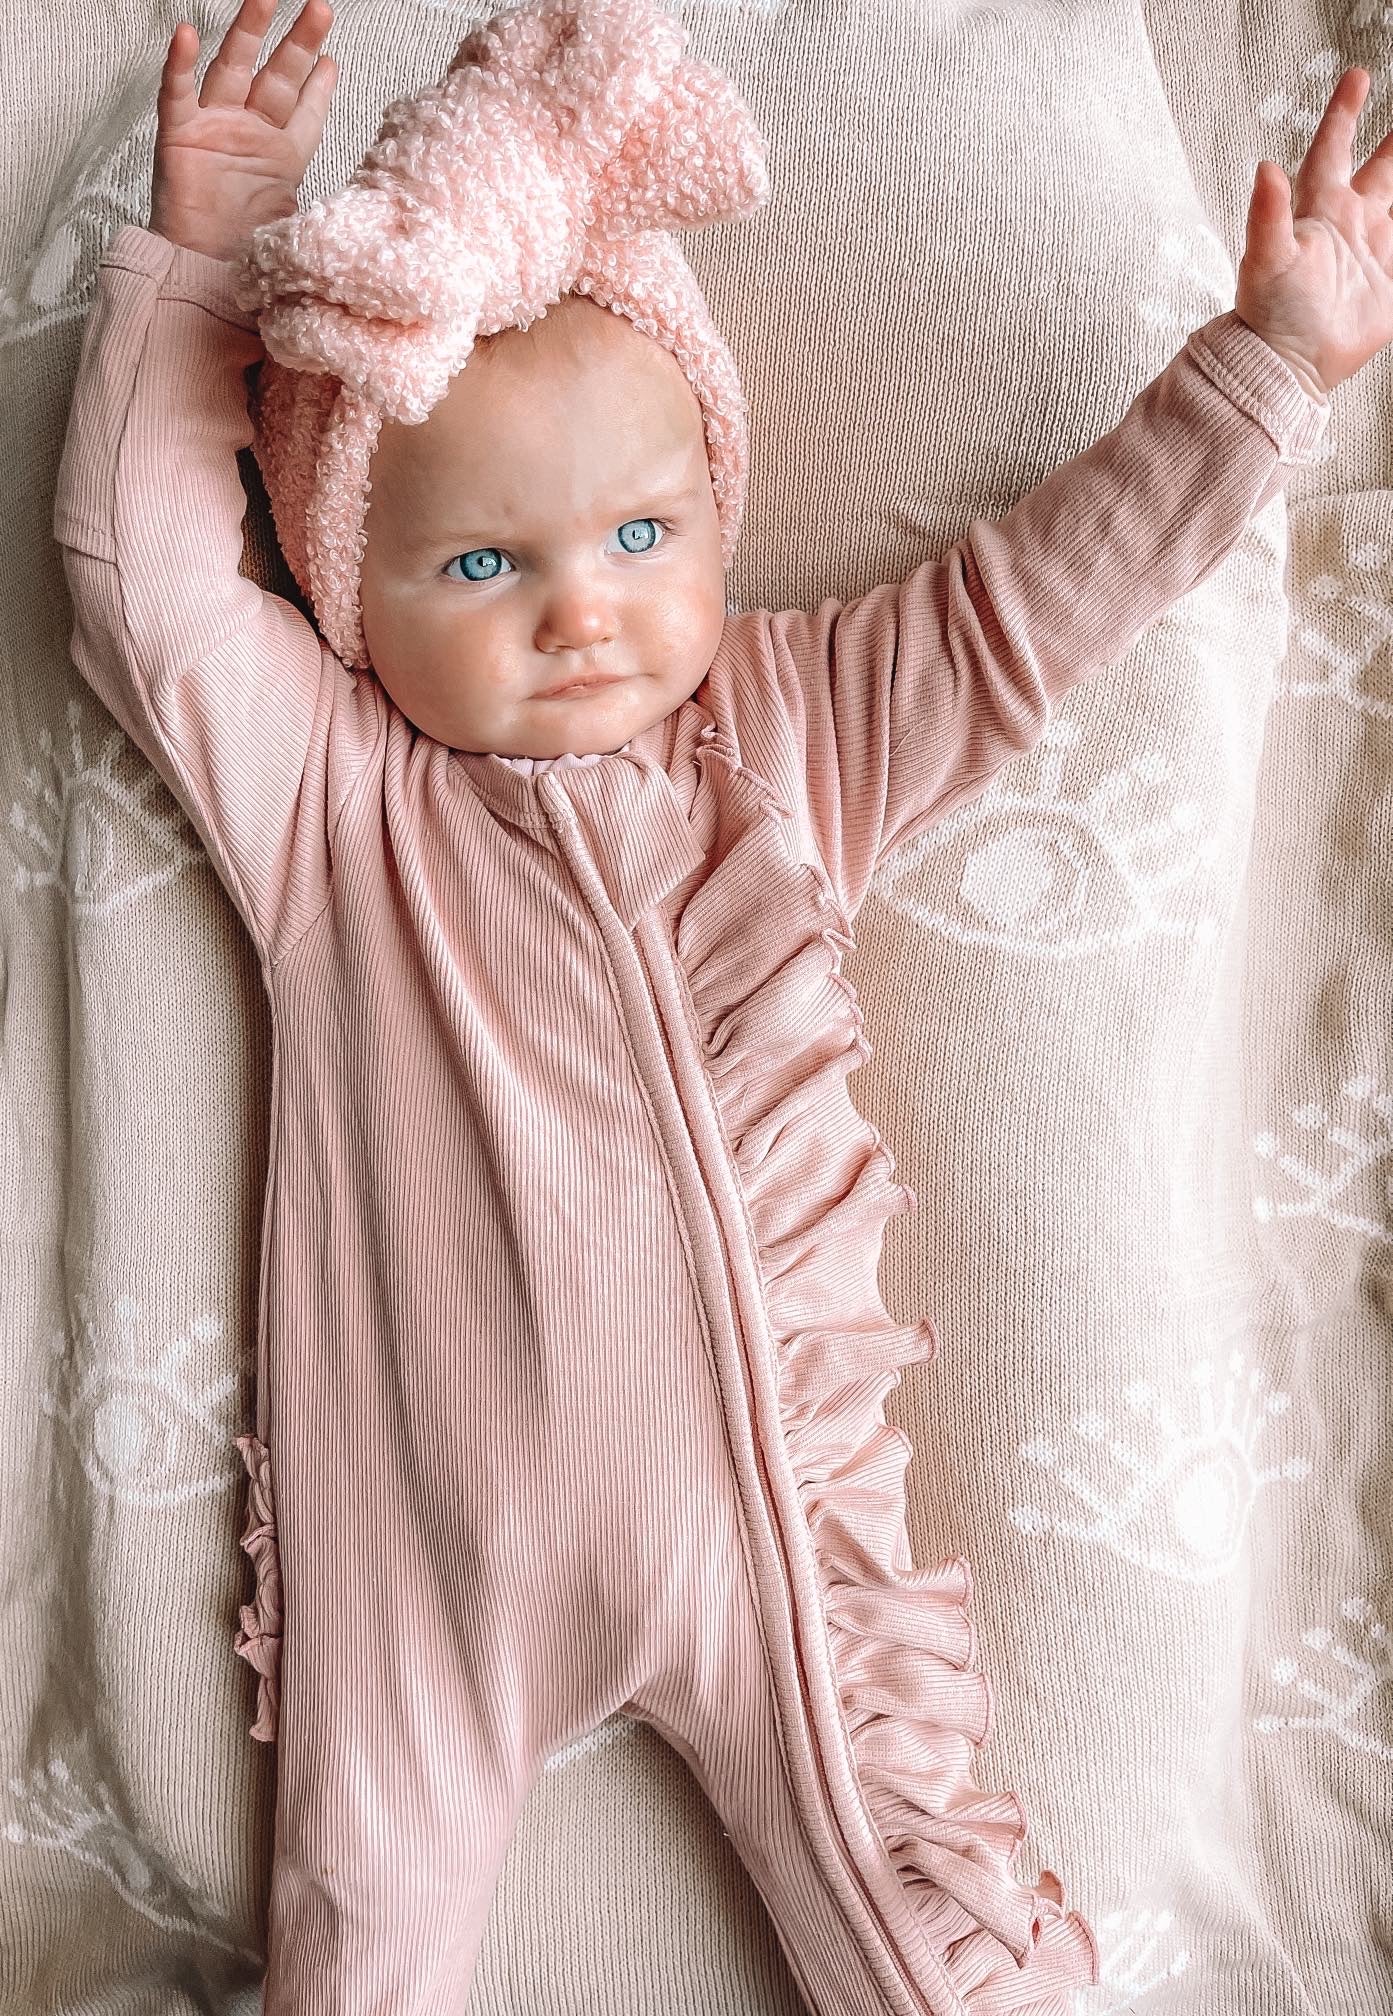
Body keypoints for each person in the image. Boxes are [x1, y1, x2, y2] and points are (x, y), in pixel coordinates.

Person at [51, 0, 1390, 2008]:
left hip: (767, 1549)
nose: (583, 608)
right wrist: (196, 257)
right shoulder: (335, 801)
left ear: (717, 515)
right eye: (485, 561)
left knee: (925, 1938)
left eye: (643, 537)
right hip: (420, 1563)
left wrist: (1264, 363)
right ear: (346, 589)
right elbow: (140, 584)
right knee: (351, 1933)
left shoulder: (786, 726)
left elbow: (1040, 601)